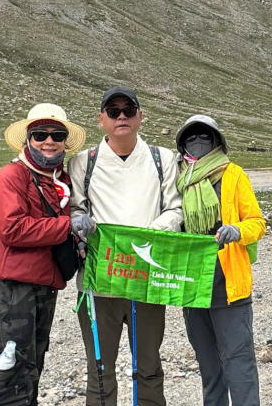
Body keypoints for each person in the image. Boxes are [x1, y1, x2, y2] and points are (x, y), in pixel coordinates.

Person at [67, 86, 183, 406]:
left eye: (128, 110)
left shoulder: (163, 159)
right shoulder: (82, 163)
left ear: (140, 117)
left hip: (146, 280)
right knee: (100, 370)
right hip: (99, 283)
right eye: (113, 111)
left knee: (148, 366)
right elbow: (75, 208)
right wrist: (80, 223)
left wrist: (148, 235)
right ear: (101, 119)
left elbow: (175, 209)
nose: (121, 116)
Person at [0, 103, 87, 406]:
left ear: (65, 141)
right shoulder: (10, 176)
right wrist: (68, 225)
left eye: (57, 134)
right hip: (11, 287)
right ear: (28, 139)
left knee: (33, 362)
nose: (49, 141)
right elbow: (13, 229)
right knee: (10, 363)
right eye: (40, 134)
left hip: (44, 283)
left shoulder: (59, 181)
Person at [175, 115, 266, 406]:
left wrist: (238, 230)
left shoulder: (234, 174)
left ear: (216, 141)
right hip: (192, 286)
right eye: (191, 137)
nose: (198, 141)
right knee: (209, 366)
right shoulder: (177, 178)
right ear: (182, 144)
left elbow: (257, 222)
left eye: (205, 136)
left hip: (229, 284)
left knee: (239, 364)